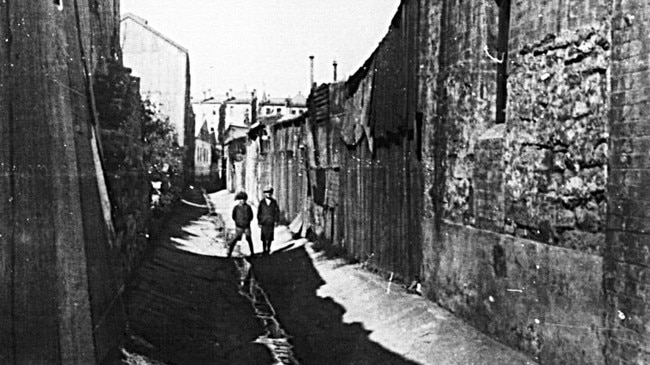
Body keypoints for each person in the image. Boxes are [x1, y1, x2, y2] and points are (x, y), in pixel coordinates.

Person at [227, 191, 255, 257]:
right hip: (239, 227)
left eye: (244, 199)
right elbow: (233, 216)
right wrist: (237, 222)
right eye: (241, 199)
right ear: (239, 200)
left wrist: (248, 222)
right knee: (236, 238)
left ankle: (252, 253)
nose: (243, 201)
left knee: (249, 239)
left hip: (247, 226)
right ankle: (229, 252)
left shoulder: (248, 207)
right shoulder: (236, 208)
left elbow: (251, 216)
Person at [257, 187, 280, 255]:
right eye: (267, 193)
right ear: (264, 194)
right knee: (263, 237)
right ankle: (264, 250)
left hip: (271, 221)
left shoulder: (274, 202)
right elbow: (259, 212)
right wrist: (259, 222)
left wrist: (276, 220)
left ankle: (268, 249)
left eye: (270, 193)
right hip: (264, 222)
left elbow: (277, 212)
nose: (268, 194)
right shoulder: (262, 202)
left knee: (270, 236)